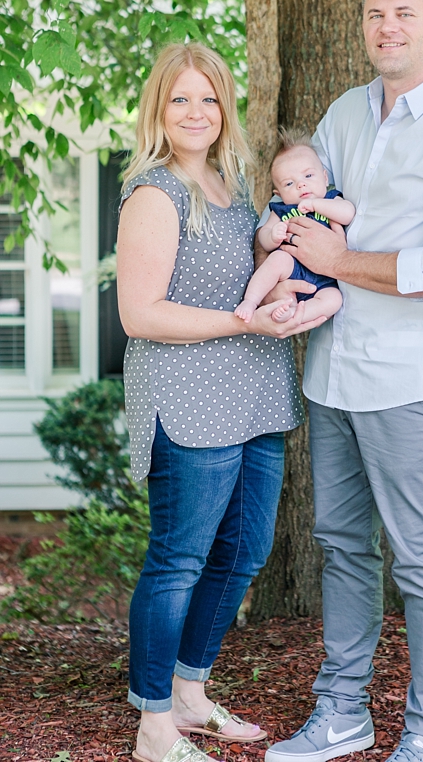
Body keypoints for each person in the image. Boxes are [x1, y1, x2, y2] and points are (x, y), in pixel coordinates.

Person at [264, 0, 423, 762]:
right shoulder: (342, 113)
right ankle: (341, 715)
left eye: (403, 13)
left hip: (408, 382)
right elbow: (306, 219)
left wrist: (339, 263)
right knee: (340, 546)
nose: (386, 27)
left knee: (421, 562)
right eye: (374, 14)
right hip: (331, 368)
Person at [117, 43, 326, 762]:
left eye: (208, 99)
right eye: (180, 99)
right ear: (159, 111)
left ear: (224, 108)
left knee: (241, 553)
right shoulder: (155, 193)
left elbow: (262, 275)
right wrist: (243, 320)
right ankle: (153, 725)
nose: (195, 112)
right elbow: (140, 315)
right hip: (188, 397)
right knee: (178, 559)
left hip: (255, 393)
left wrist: (289, 294)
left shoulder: (234, 186)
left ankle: (189, 692)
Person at [235, 130, 355, 325]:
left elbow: (347, 212)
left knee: (334, 299)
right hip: (293, 268)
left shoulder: (331, 200)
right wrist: (273, 235)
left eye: (308, 175)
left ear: (325, 178)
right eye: (289, 183)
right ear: (279, 193)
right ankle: (250, 302)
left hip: (325, 279)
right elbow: (264, 237)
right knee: (276, 259)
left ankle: (295, 314)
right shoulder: (282, 209)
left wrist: (317, 205)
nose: (301, 185)